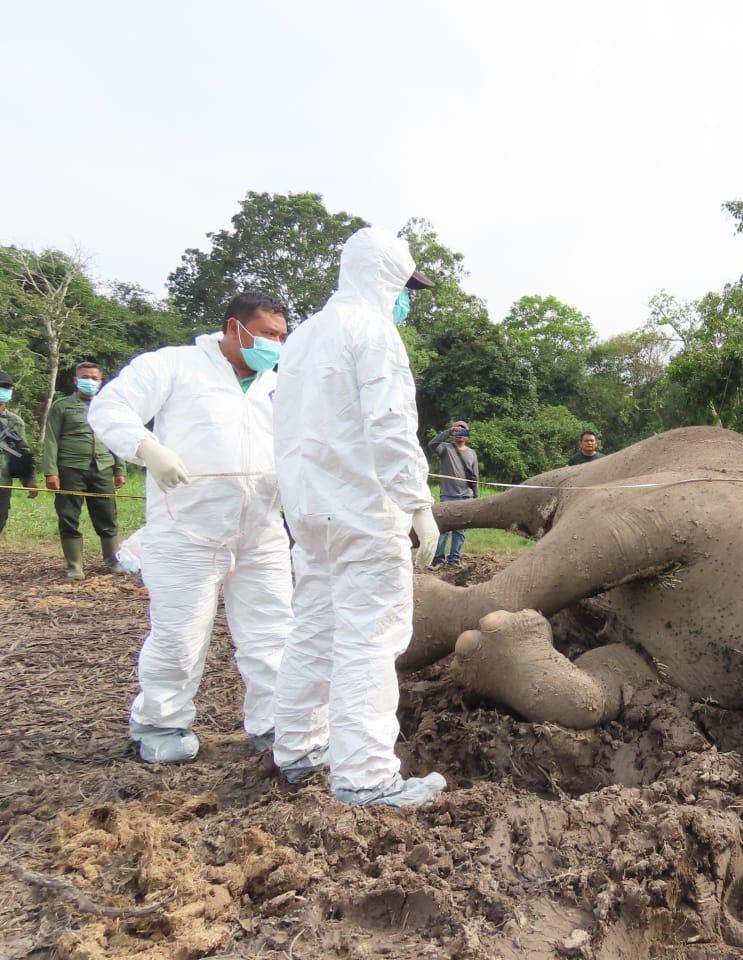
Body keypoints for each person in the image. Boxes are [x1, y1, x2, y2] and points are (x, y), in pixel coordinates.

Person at [271, 226, 447, 807]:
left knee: (314, 629)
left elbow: (288, 428)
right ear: (385, 276)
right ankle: (366, 777)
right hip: (364, 514)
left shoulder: (302, 339)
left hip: (310, 514)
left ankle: (297, 747)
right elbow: (391, 426)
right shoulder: (374, 332)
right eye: (407, 285)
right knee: (369, 639)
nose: (409, 298)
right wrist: (417, 504)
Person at [88, 293, 294, 763]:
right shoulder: (174, 366)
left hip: (260, 530)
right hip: (187, 530)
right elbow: (110, 407)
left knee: (273, 634)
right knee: (180, 635)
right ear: (233, 327)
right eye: (266, 334)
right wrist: (147, 448)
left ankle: (275, 721)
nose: (275, 345)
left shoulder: (278, 387)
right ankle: (159, 722)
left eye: (281, 337)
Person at [41, 362, 126, 579]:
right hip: (70, 468)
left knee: (107, 517)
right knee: (69, 517)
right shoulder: (62, 406)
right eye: (85, 377)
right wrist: (50, 471)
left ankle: (113, 561)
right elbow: (51, 440)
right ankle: (74, 566)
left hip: (103, 467)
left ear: (101, 380)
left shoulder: (109, 406)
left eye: (94, 378)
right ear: (75, 380)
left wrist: (120, 469)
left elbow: (116, 437)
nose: (89, 381)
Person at [428, 421, 479, 567]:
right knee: (443, 530)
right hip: (448, 495)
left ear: (467, 435)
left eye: (463, 431)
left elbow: (475, 477)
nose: (460, 434)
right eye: (458, 431)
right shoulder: (445, 448)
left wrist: (476, 497)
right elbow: (432, 444)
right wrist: (448, 431)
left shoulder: (472, 453)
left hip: (466, 496)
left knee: (460, 531)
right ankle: (438, 559)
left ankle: (454, 559)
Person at [0, 370, 39, 534]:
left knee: (0, 520)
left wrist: (30, 480)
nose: (3, 390)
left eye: (6, 388)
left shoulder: (15, 422)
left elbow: (23, 453)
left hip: (2, 483)